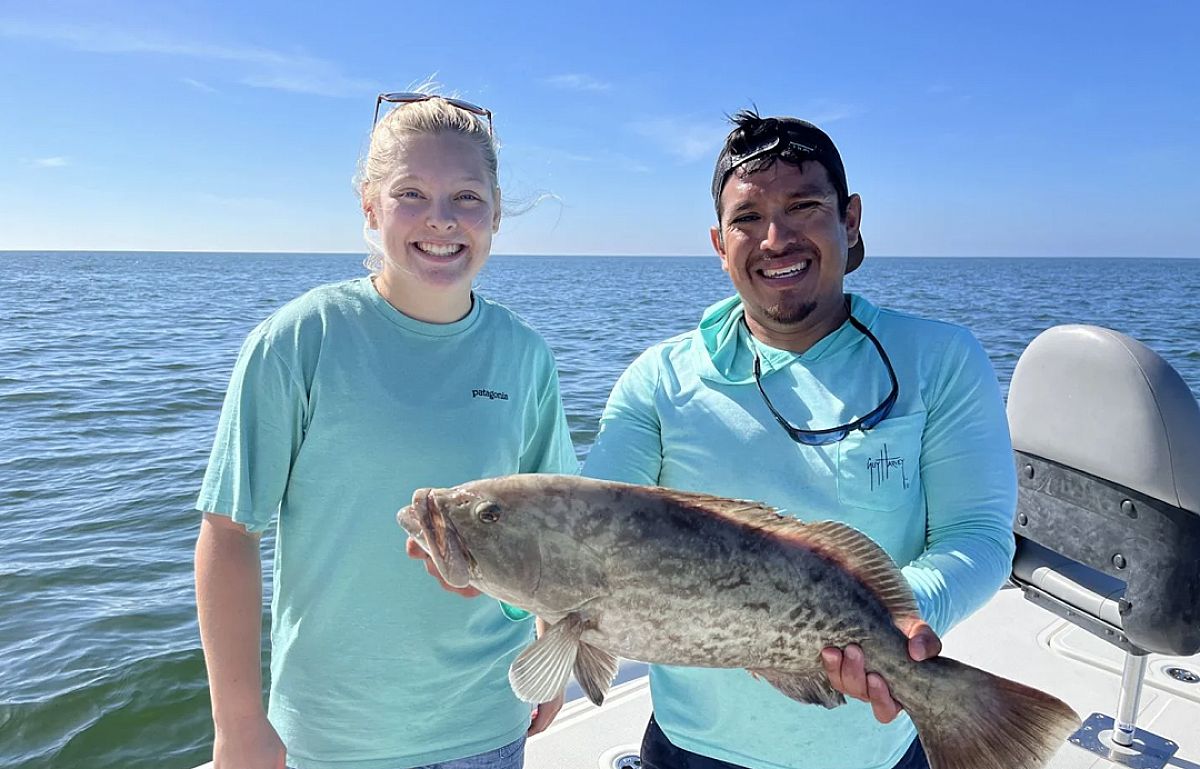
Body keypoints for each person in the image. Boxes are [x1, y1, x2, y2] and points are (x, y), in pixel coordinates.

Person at [582, 110, 1017, 769]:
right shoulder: (657, 380)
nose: (775, 238)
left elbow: (980, 534)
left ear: (851, 219)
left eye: (803, 206)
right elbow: (594, 535)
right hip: (690, 746)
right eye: (747, 218)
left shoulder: (939, 357)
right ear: (718, 241)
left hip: (873, 750)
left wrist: (893, 615)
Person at [194, 92, 578, 769]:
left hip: (487, 724)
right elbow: (229, 533)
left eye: (466, 197)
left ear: (494, 214)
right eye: (411, 194)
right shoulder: (298, 340)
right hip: (332, 738)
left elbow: (553, 527)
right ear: (369, 207)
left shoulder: (525, 354)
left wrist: (552, 644)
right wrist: (238, 723)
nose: (441, 220)